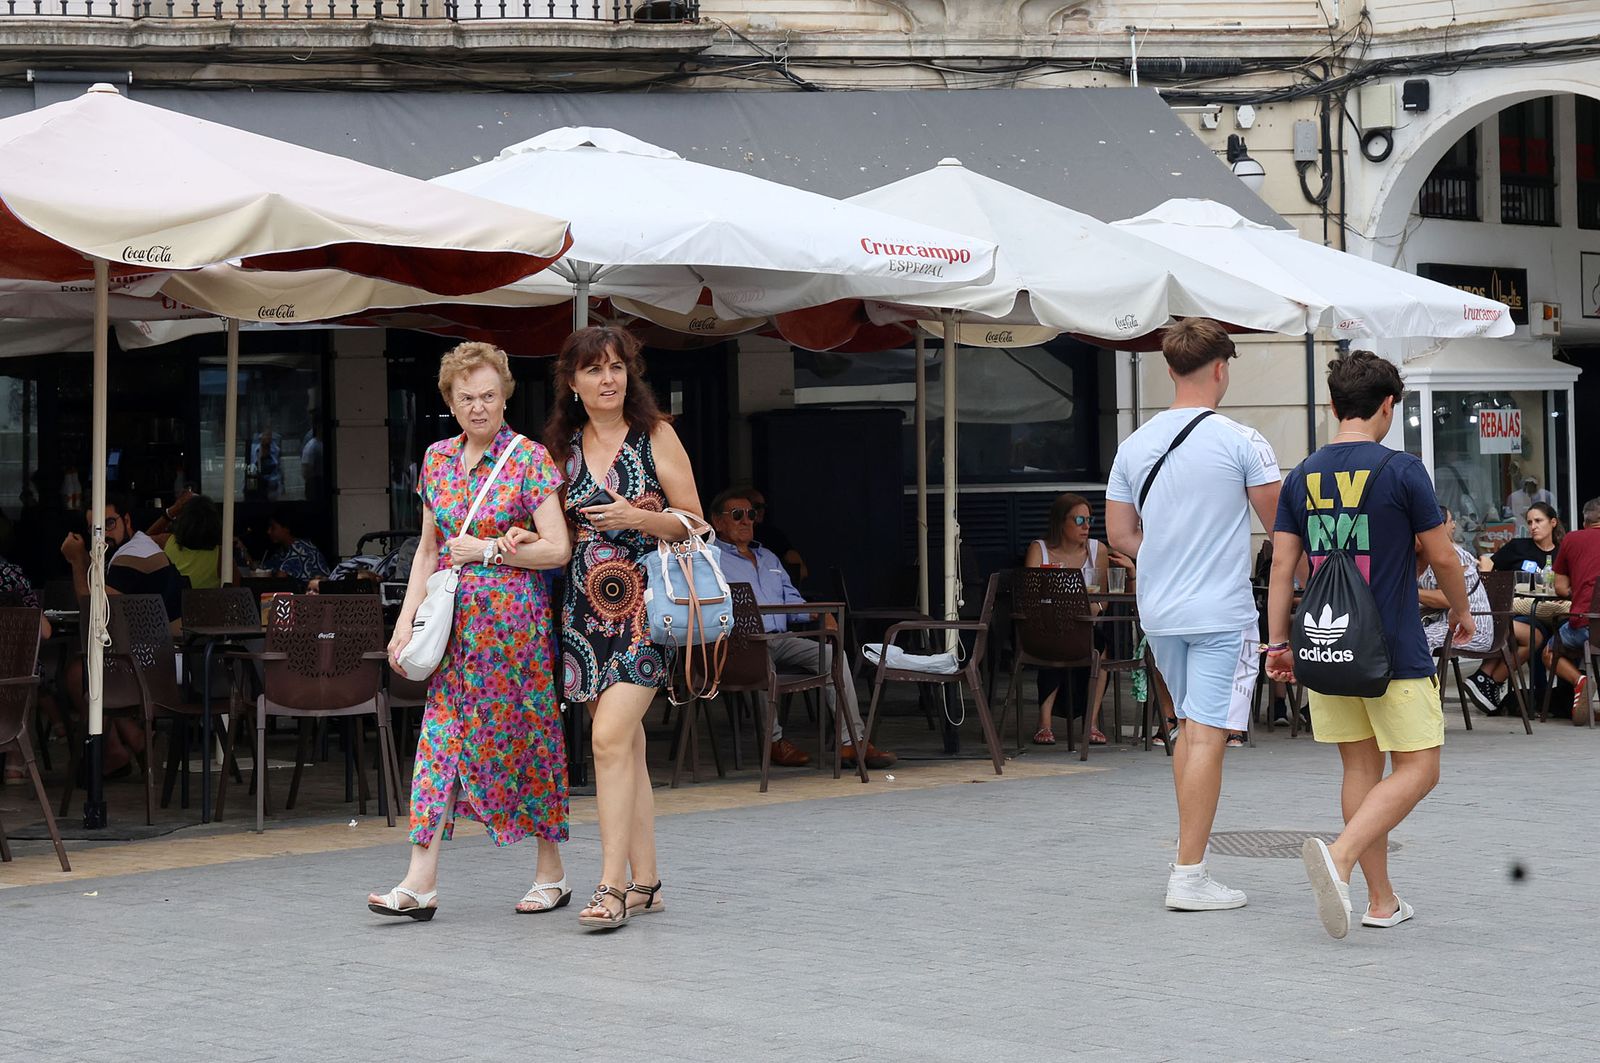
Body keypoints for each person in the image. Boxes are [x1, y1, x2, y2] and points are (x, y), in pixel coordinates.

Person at [1267, 350, 1474, 940]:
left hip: (1327, 641)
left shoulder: (1301, 474)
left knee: (1360, 765)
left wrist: (1279, 641)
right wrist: (1461, 612)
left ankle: (1382, 902)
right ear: (1388, 405)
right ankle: (1341, 856)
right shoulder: (1403, 470)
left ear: (1333, 406)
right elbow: (1440, 555)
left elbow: (1284, 563)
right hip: (1394, 647)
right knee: (1421, 768)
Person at [370, 341, 572, 922]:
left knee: (526, 741)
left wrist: (488, 550)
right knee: (437, 746)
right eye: (466, 398)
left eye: (488, 395)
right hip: (454, 633)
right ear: (450, 402)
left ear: (505, 394)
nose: (479, 407)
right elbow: (429, 550)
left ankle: (550, 872)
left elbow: (558, 549)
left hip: (514, 637)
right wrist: (405, 622)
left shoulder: (530, 459)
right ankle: (420, 880)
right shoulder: (435, 460)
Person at [1104, 318, 1281, 913]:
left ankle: (1189, 861)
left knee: (1187, 727)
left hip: (1160, 609)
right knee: (1209, 733)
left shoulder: (1134, 444)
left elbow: (1120, 533)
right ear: (1221, 368)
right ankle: (1189, 874)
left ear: (1170, 368)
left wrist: (1163, 551)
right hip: (1221, 611)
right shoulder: (1242, 440)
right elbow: (1282, 527)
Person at [540, 324, 703, 930]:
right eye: (593, 370)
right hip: (584, 615)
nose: (607, 379)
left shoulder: (655, 435)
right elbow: (552, 532)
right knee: (625, 750)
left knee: (608, 740)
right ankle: (647, 881)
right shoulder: (562, 445)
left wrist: (640, 516)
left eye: (615, 367)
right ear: (573, 383)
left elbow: (698, 525)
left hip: (646, 607)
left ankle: (609, 888)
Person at [710, 487, 896, 771]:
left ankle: (851, 741)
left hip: (782, 638)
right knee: (758, 660)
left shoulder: (769, 558)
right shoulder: (710, 559)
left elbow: (792, 601)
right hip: (740, 643)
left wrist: (817, 613)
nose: (746, 520)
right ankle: (773, 742)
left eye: (751, 514)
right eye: (737, 515)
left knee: (834, 656)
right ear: (718, 522)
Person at [59, 492, 187, 775]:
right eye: (96, 529)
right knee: (95, 667)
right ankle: (132, 743)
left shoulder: (133, 556)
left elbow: (95, 609)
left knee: (80, 673)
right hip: (159, 653)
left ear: (127, 520)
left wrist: (77, 561)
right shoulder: (133, 547)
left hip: (164, 662)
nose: (103, 535)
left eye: (110, 524)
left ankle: (120, 750)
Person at [1023, 492, 1118, 747]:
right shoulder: (1039, 549)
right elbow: (1030, 595)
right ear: (1060, 522)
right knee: (1056, 642)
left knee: (1101, 646)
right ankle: (1044, 723)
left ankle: (1092, 722)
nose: (1086, 527)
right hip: (1046, 625)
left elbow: (1103, 598)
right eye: (1078, 520)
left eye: (1089, 520)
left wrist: (1094, 607)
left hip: (1084, 624)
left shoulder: (1098, 550)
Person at [1464, 501, 1566, 713]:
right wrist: (1490, 595)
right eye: (1529, 522)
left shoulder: (1561, 553)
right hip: (1517, 610)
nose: (1533, 527)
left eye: (1538, 521)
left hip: (1548, 612)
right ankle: (1492, 681)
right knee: (1533, 634)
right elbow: (1487, 562)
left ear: (1553, 522)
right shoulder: (1519, 546)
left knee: (1543, 633)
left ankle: (1487, 679)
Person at [1543, 497, 1600, 723]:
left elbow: (1560, 588)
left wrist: (1579, 591)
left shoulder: (1572, 539)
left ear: (1585, 522)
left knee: (1548, 651)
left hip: (1587, 625)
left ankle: (1580, 681)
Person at [1418, 507, 1492, 654]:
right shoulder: (1420, 555)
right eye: (1451, 521)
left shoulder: (1451, 555)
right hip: (1443, 622)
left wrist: (1409, 592)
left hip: (1473, 628)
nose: (1454, 525)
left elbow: (1449, 598)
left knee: (1416, 639)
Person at [149, 490, 223, 590]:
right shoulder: (221, 556)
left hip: (173, 605)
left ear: (183, 520)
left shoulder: (165, 542)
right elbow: (237, 589)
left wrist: (171, 512)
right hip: (209, 605)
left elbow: (140, 541)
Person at [237, 512, 329, 582]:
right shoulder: (282, 552)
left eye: (273, 528)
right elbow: (261, 569)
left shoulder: (301, 549)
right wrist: (242, 548)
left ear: (286, 529)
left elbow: (280, 578)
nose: (268, 532)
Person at [744, 486, 809, 587]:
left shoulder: (772, 535)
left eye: (763, 506)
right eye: (756, 506)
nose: (761, 510)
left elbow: (801, 569)